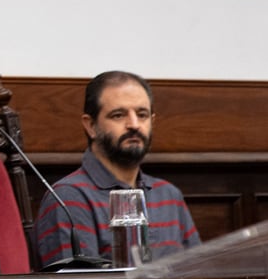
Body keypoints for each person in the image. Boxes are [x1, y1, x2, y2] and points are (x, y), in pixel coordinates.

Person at [35, 70, 199, 267]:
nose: (134, 125)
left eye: (142, 115)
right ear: (91, 126)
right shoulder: (67, 198)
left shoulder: (169, 195)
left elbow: (198, 273)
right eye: (118, 115)